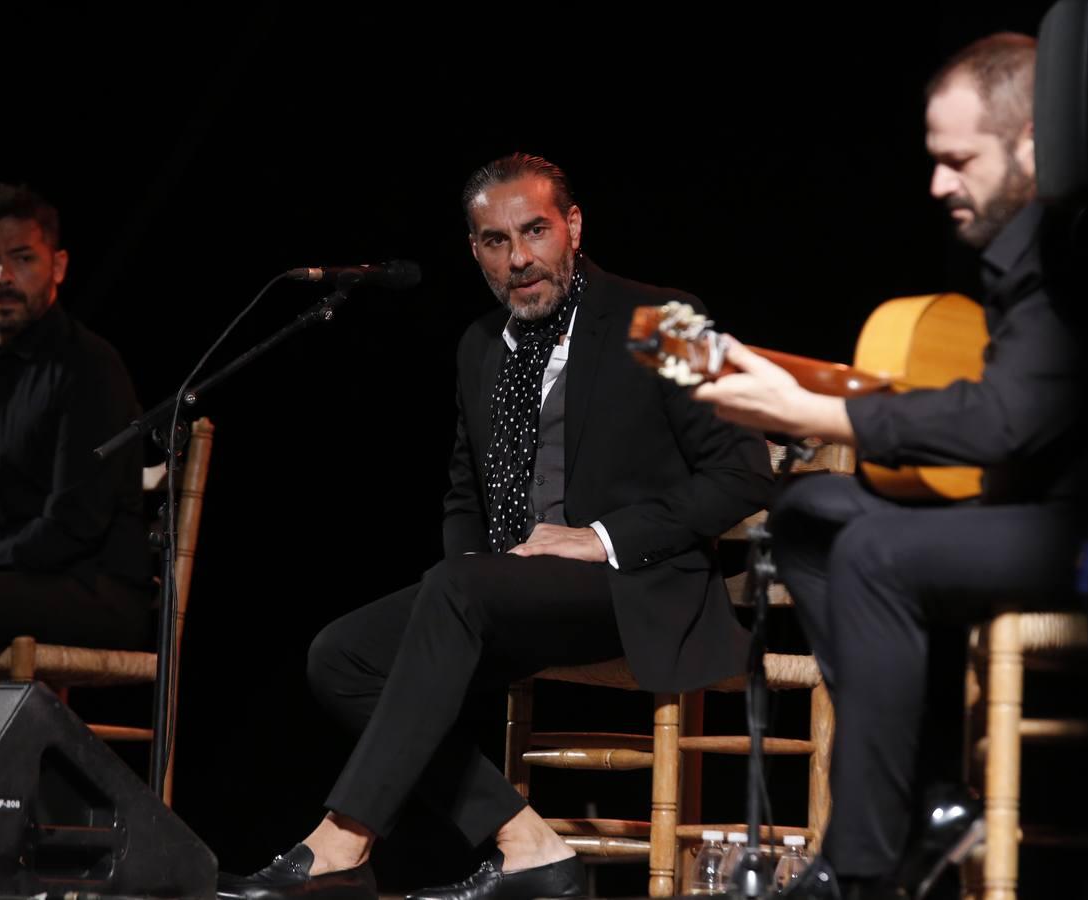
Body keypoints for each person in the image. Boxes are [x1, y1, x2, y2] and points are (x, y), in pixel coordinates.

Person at [218, 153, 774, 900]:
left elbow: (744, 472)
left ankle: (343, 840)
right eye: (494, 241)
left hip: (637, 585)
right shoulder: (480, 345)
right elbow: (461, 493)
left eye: (536, 231)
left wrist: (600, 538)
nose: (519, 259)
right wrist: (468, 578)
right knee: (340, 657)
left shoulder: (667, 319)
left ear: (573, 227)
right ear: (473, 249)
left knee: (451, 594)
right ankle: (528, 842)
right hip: (511, 591)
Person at [691, 34, 1088, 900]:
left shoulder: (1073, 247)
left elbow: (1008, 421)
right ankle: (924, 788)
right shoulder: (1024, 243)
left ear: (1030, 141)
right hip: (1023, 506)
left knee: (883, 554)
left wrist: (821, 413)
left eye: (958, 161)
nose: (937, 185)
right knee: (808, 512)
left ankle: (867, 867)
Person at [0, 184, 153, 679]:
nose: (3, 277)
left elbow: (72, 525)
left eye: (21, 258)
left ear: (57, 266)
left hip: (92, 587)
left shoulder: (88, 365)